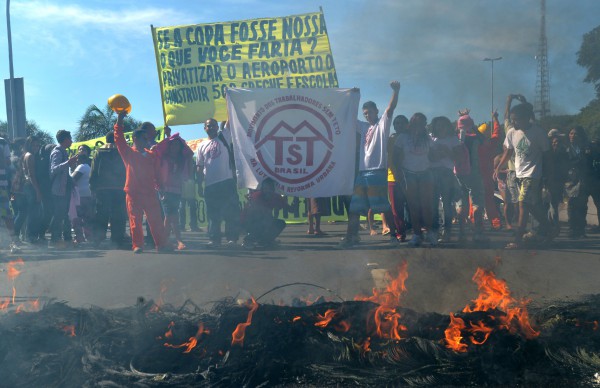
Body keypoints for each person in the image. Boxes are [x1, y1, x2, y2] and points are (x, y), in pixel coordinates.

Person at [340, 80, 400, 248]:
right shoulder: (364, 127)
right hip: (362, 173)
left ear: (376, 111)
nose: (367, 115)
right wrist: (353, 97)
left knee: (382, 205)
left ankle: (394, 236)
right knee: (355, 207)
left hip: (377, 171)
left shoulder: (383, 124)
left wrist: (396, 91)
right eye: (365, 113)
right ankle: (351, 237)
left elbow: (391, 108)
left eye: (370, 112)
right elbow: (350, 116)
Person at [493, 95, 554, 249]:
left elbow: (547, 155)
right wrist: (498, 167)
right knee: (530, 206)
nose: (513, 122)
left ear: (527, 118)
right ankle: (550, 228)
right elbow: (508, 152)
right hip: (519, 174)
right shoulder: (512, 132)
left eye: (516, 119)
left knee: (522, 204)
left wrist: (547, 176)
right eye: (512, 119)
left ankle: (518, 239)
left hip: (533, 175)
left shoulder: (538, 132)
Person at [114, 112, 170, 253]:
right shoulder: (128, 153)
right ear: (135, 138)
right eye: (144, 138)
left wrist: (162, 187)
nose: (147, 140)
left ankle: (161, 245)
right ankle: (137, 245)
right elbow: (119, 138)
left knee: (156, 220)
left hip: (150, 192)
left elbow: (157, 174)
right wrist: (120, 118)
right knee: (135, 221)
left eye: (147, 137)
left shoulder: (152, 155)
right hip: (133, 193)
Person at [196, 118, 240, 247]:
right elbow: (199, 166)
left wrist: (229, 99)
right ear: (205, 128)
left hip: (226, 182)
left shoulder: (224, 137)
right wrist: (199, 184)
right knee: (213, 214)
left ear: (217, 127)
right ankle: (215, 239)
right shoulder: (201, 146)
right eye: (208, 126)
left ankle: (232, 239)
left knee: (230, 212)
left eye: (214, 125)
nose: (211, 128)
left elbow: (230, 120)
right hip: (210, 185)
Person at [394, 112, 436, 246]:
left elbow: (433, 155)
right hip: (408, 174)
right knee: (413, 206)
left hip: (425, 174)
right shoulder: (402, 138)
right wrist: (398, 174)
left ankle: (430, 234)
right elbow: (395, 157)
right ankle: (417, 234)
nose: (419, 125)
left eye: (422, 123)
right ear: (411, 124)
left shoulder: (428, 138)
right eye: (416, 123)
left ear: (424, 125)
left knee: (427, 205)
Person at [154, 133, 194, 250]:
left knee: (172, 214)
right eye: (173, 145)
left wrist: (173, 137)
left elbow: (189, 153)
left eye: (178, 145)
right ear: (169, 146)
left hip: (177, 190)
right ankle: (175, 241)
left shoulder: (182, 159)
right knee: (170, 215)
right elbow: (156, 171)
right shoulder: (162, 157)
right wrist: (168, 136)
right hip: (164, 189)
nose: (175, 147)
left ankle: (166, 241)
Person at [89, 131, 127, 248]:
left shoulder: (99, 152)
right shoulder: (122, 152)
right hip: (119, 188)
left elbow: (93, 171)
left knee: (101, 214)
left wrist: (92, 187)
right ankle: (117, 239)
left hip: (102, 188)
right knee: (118, 214)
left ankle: (97, 239)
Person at [241, 178, 299, 248]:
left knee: (280, 223)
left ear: (273, 189)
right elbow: (253, 213)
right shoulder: (256, 196)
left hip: (263, 220)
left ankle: (265, 241)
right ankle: (248, 240)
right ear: (262, 189)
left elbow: (291, 210)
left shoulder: (275, 197)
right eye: (265, 188)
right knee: (263, 221)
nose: (268, 191)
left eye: (270, 189)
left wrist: (296, 199)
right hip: (248, 221)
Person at [430, 116, 462, 243]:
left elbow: (458, 158)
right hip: (432, 172)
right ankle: (434, 231)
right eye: (438, 125)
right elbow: (429, 157)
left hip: (446, 173)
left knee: (447, 204)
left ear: (447, 126)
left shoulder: (453, 139)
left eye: (443, 124)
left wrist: (446, 151)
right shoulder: (431, 138)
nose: (440, 127)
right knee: (433, 204)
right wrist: (437, 155)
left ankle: (447, 232)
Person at [48, 130, 78, 249]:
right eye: (70, 138)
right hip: (58, 189)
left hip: (63, 189)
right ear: (65, 139)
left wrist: (69, 164)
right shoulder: (57, 151)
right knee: (59, 215)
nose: (71, 141)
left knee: (63, 215)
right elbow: (53, 169)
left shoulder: (63, 151)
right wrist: (68, 162)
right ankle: (55, 240)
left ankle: (66, 239)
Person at [564, 126, 592, 238]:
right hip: (570, 180)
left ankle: (581, 229)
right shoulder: (566, 149)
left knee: (582, 205)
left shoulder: (585, 148)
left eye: (575, 134)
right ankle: (572, 228)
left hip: (583, 179)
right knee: (571, 205)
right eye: (571, 133)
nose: (572, 136)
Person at [388, 115, 409, 242]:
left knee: (413, 205)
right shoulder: (391, 139)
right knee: (396, 207)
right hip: (393, 177)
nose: (398, 126)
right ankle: (400, 232)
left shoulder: (412, 138)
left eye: (401, 123)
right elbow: (388, 158)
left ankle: (417, 229)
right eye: (396, 124)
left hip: (410, 175)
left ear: (407, 124)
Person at [21, 135, 43, 244]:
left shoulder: (25, 155)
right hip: (31, 186)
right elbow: (32, 175)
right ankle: (31, 237)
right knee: (34, 213)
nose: (36, 147)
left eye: (38, 145)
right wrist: (38, 191)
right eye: (33, 145)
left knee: (31, 212)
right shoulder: (30, 156)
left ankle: (29, 236)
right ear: (29, 145)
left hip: (27, 186)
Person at [545, 130, 568, 229]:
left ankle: (552, 224)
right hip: (549, 181)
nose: (555, 143)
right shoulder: (547, 152)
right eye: (554, 141)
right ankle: (552, 224)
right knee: (551, 203)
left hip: (557, 181)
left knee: (553, 203)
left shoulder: (563, 152)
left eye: (557, 141)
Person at [70, 147, 93, 244]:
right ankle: (89, 237)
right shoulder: (88, 167)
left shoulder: (81, 167)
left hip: (80, 196)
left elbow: (72, 180)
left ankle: (79, 237)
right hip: (87, 195)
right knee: (86, 218)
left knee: (77, 218)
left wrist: (70, 169)